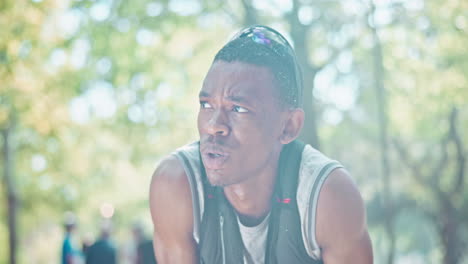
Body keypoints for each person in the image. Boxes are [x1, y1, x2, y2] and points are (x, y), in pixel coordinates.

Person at [149, 25, 373, 263]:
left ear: (288, 127)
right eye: (206, 105)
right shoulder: (176, 185)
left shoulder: (329, 196)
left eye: (239, 108)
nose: (214, 126)